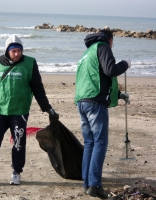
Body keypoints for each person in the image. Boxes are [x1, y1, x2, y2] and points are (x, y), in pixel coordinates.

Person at [0, 35, 59, 185]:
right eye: (13, 51)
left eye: (19, 51)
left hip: (19, 112)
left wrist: (47, 108)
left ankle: (16, 172)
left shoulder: (30, 63)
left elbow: (37, 88)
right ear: (7, 51)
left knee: (19, 143)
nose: (16, 54)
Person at [74, 29, 131, 199]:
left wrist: (119, 95)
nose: (113, 45)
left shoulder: (87, 53)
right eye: (113, 42)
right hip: (95, 104)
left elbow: (95, 78)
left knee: (90, 143)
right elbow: (110, 70)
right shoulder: (103, 46)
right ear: (110, 39)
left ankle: (87, 183)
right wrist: (126, 64)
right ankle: (95, 185)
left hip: (82, 102)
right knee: (100, 142)